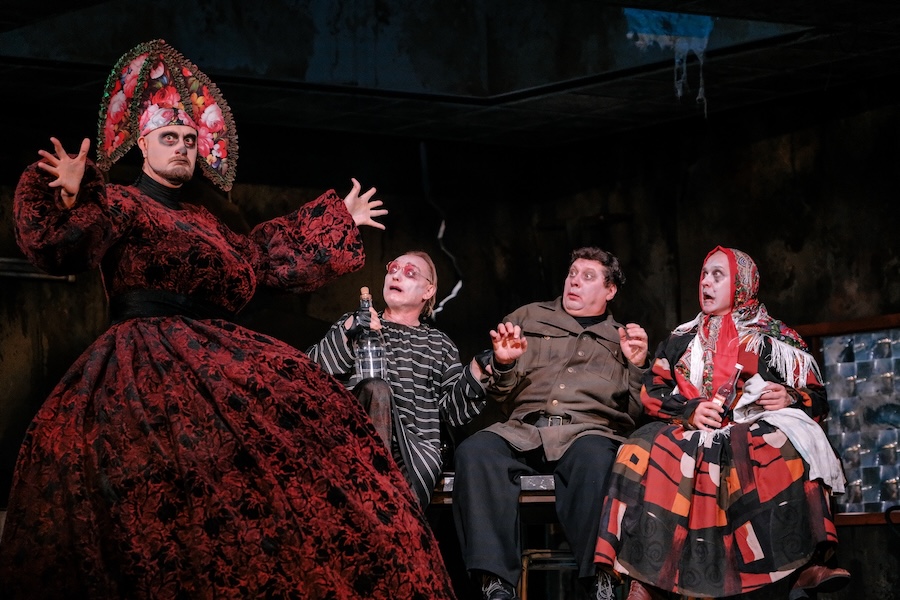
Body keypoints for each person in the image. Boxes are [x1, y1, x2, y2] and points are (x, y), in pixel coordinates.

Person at [0, 39, 457, 599]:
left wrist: (338, 219)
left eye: (190, 140)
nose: (182, 148)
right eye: (169, 138)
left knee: (309, 418)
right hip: (142, 357)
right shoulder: (119, 203)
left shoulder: (207, 222)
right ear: (142, 144)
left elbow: (260, 259)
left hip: (214, 350)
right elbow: (62, 247)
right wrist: (71, 197)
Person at [595, 246, 849, 600]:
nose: (706, 283)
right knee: (641, 448)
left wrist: (791, 396)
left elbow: (818, 398)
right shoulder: (682, 338)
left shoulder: (776, 340)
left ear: (742, 284)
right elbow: (652, 391)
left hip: (752, 427)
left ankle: (804, 564)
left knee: (787, 442)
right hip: (692, 431)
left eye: (718, 275)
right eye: (704, 274)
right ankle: (645, 578)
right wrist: (690, 410)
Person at [452, 246, 650, 600]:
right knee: (475, 451)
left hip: (586, 434)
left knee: (598, 459)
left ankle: (600, 580)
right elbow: (502, 396)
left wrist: (637, 366)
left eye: (587, 276)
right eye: (572, 273)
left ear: (610, 290)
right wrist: (504, 364)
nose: (575, 281)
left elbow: (636, 414)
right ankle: (495, 583)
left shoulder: (623, 339)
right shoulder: (528, 318)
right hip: (524, 430)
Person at [307, 250, 496, 507]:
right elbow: (311, 372)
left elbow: (453, 413)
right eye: (393, 268)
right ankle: (374, 498)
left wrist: (478, 370)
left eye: (409, 273)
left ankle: (384, 512)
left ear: (428, 291)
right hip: (354, 444)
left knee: (396, 513)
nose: (396, 276)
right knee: (376, 389)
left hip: (414, 453)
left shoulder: (439, 344)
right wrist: (349, 330)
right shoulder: (356, 324)